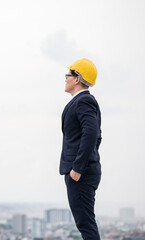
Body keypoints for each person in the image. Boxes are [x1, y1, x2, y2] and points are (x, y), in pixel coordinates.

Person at [60, 58, 102, 240]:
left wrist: (78, 167)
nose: (65, 79)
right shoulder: (82, 102)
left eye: (67, 75)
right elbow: (96, 135)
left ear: (77, 79)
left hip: (80, 173)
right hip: (82, 172)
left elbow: (92, 134)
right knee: (84, 222)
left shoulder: (83, 101)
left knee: (85, 224)